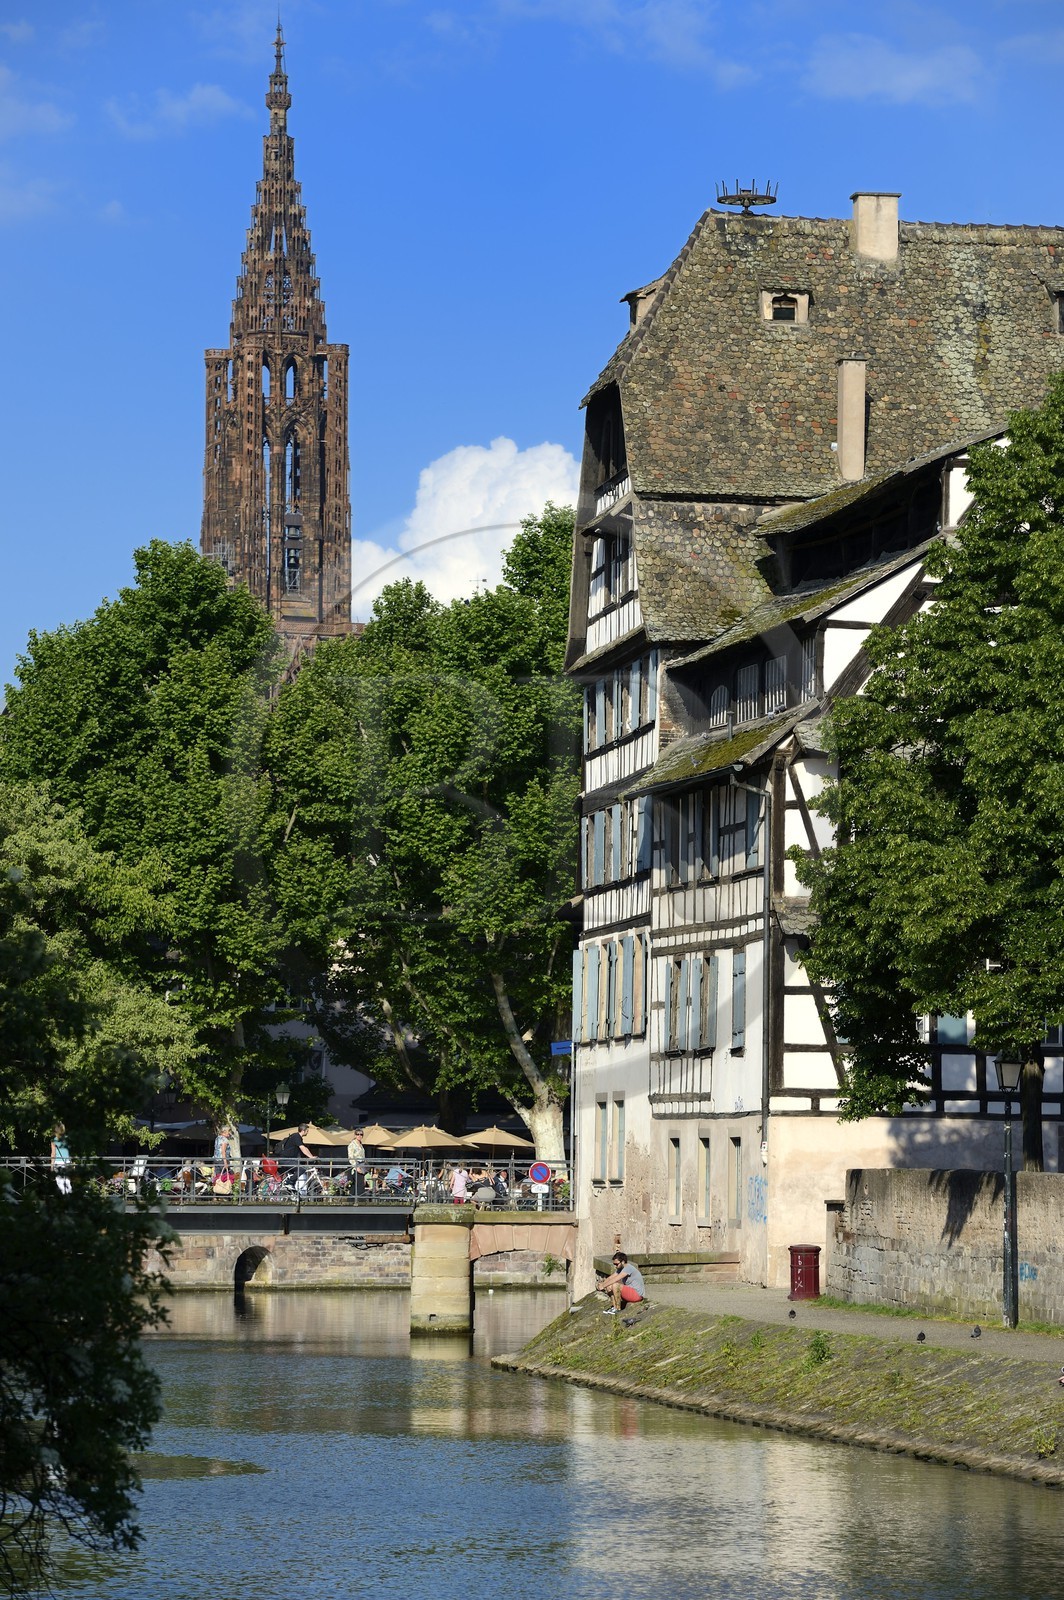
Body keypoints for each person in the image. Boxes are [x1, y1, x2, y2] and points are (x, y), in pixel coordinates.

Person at [50, 1124, 72, 1195]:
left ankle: (64, 1200)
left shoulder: (54, 1140)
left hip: (58, 1162)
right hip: (67, 1162)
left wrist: (51, 1166)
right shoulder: (67, 1139)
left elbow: (53, 1154)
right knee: (68, 1182)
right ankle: (69, 1197)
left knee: (60, 1183)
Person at [347, 1129, 367, 1195]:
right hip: (355, 1166)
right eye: (358, 1134)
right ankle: (354, 1201)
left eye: (361, 1134)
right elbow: (351, 1157)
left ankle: (359, 1201)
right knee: (356, 1185)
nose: (359, 1136)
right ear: (355, 1135)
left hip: (362, 1165)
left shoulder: (361, 1144)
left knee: (360, 1184)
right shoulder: (352, 1144)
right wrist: (356, 1167)